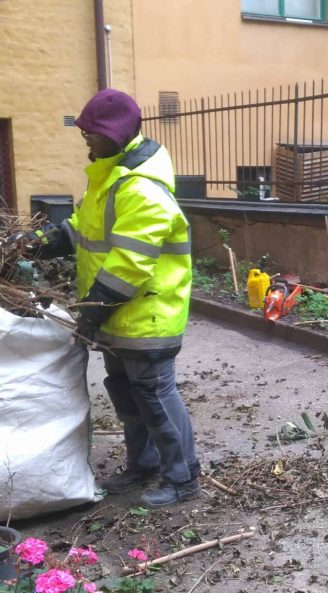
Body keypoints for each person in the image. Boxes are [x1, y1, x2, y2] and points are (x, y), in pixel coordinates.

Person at [28, 88, 201, 508]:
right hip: (115, 316)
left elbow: (130, 262)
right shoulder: (108, 180)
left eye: (93, 134)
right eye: (84, 132)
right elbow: (79, 230)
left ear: (118, 135)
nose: (86, 140)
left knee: (155, 396)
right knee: (126, 395)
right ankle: (142, 465)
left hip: (146, 315)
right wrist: (36, 242)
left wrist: (92, 311)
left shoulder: (140, 188)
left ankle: (182, 479)